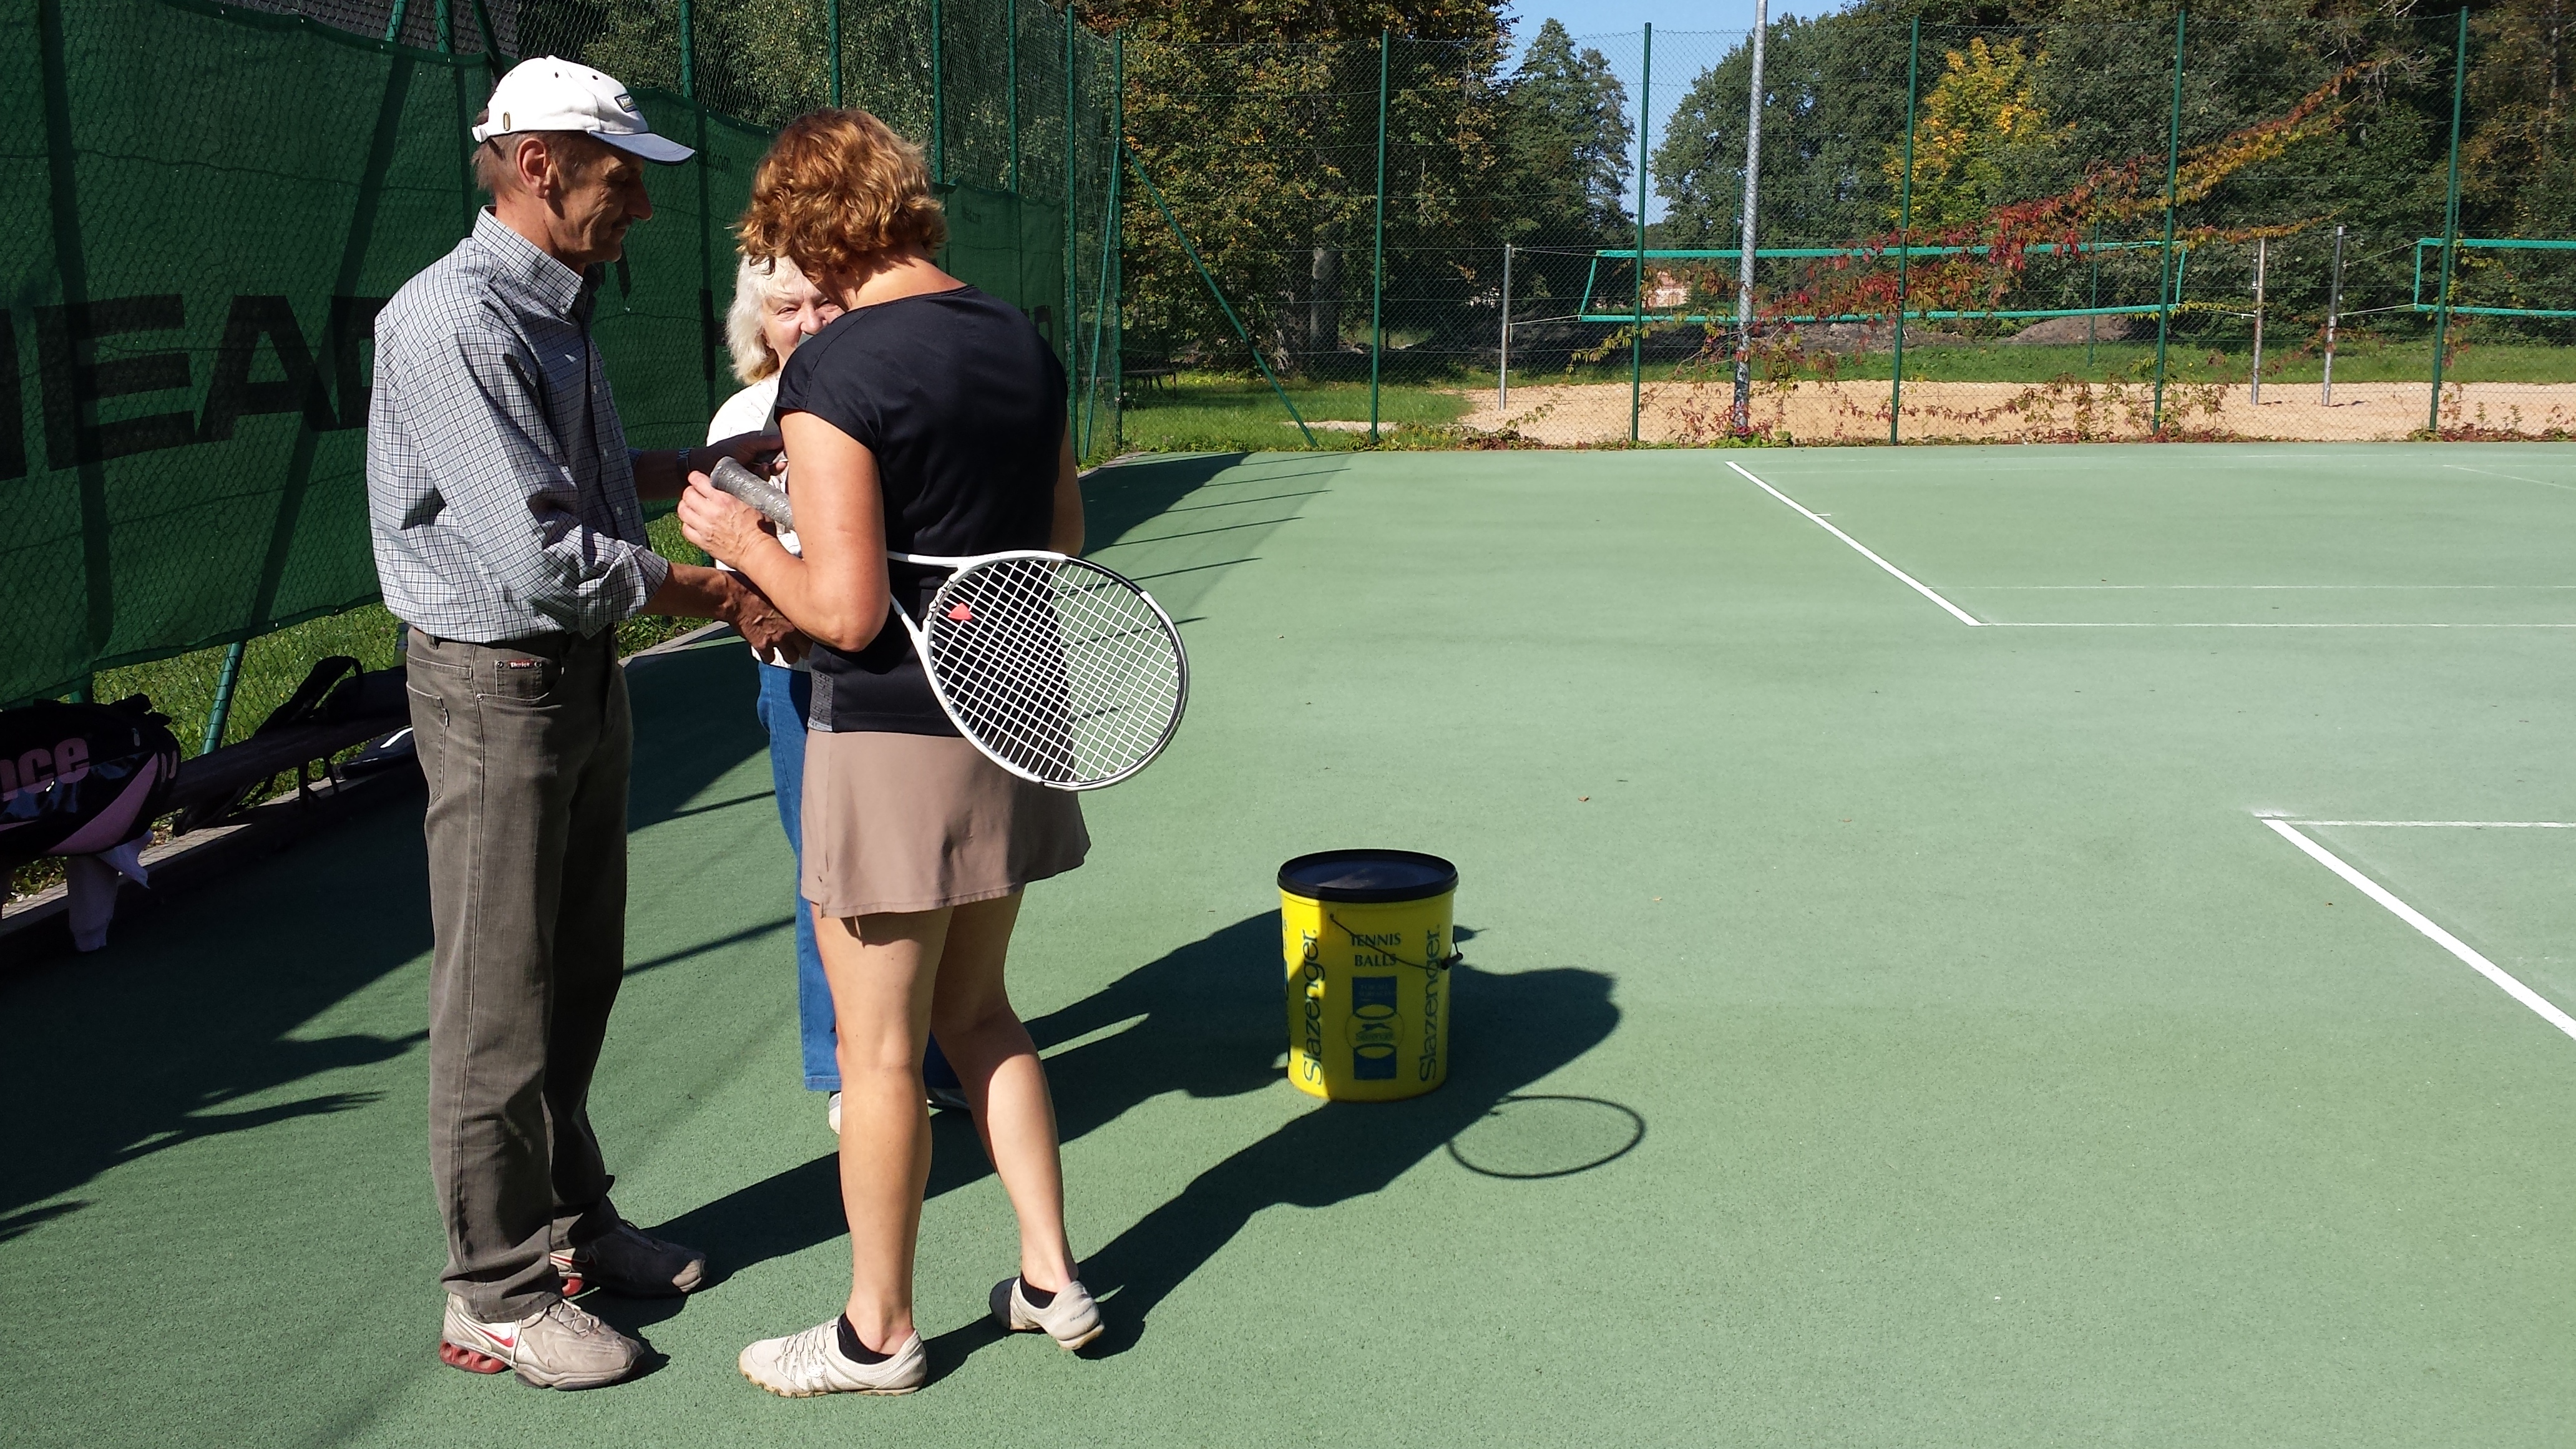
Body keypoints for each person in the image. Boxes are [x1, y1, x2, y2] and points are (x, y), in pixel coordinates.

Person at [367, 57, 802, 1392]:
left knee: (578, 968)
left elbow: (580, 494)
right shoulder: (453, 318)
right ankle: (495, 1291)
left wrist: (700, 470)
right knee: (497, 997)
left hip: (575, 677)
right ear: (539, 165)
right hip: (495, 685)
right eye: (623, 180)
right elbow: (541, 554)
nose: (643, 210)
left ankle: (568, 1218)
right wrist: (723, 586)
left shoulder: (551, 304)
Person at [679, 107, 1098, 1397]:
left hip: (895, 737)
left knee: (879, 1059)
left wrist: (742, 542)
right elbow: (1062, 541)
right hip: (1017, 714)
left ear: (808, 231)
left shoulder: (833, 371)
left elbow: (847, 612)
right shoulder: (1018, 338)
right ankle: (1052, 1279)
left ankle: (877, 1333)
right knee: (981, 1013)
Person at [713, 256, 970, 1133]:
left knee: (934, 873)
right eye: (788, 307)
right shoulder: (744, 419)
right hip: (801, 683)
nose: (810, 321)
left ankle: (938, 1052)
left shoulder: (881, 390)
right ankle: (845, 1068)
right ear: (758, 323)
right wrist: (771, 588)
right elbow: (741, 574)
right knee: (827, 880)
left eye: (824, 301)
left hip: (902, 676)